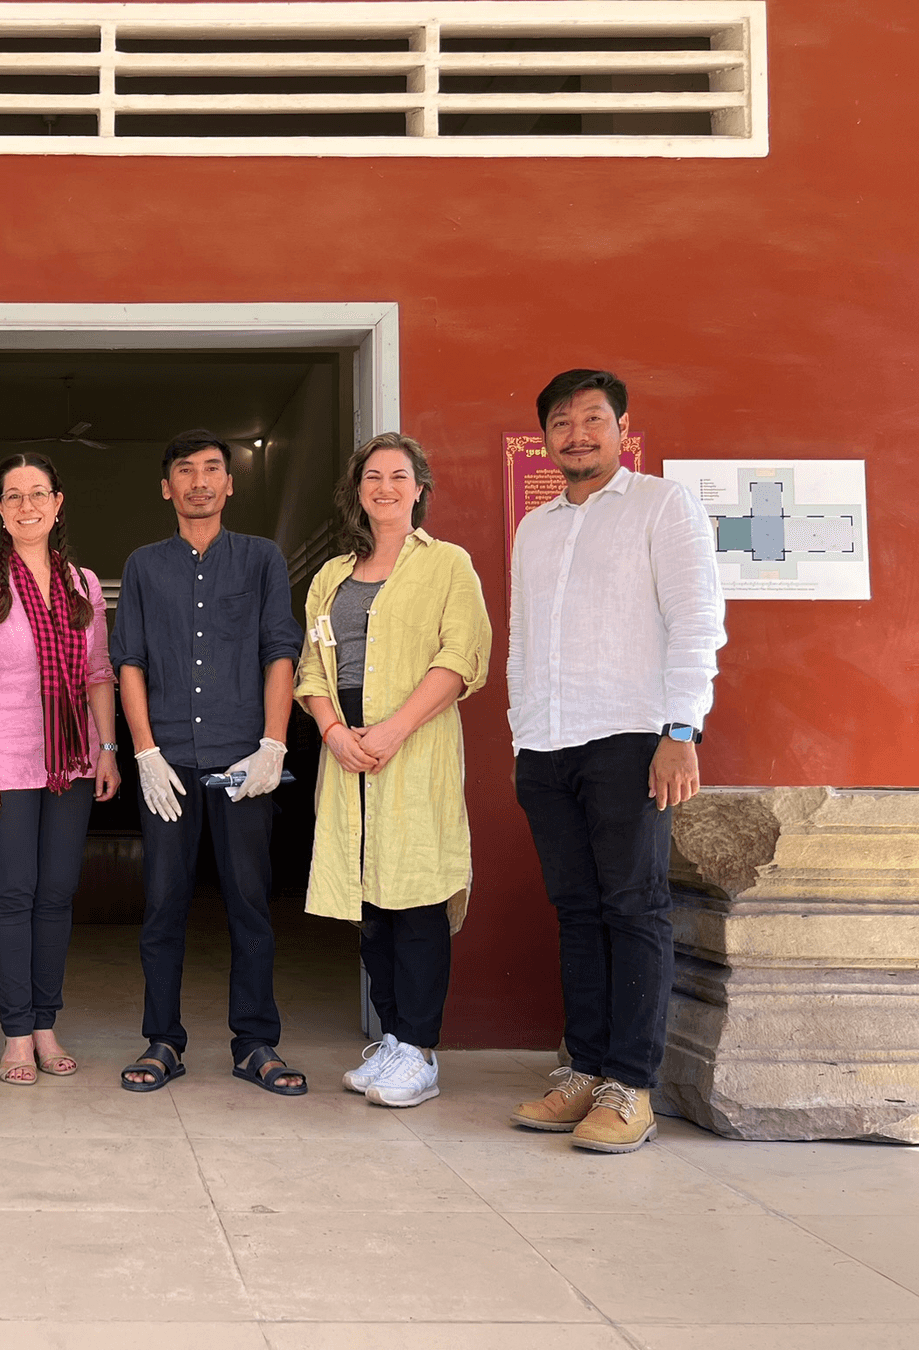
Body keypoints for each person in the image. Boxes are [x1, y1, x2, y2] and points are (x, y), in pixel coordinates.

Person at [507, 369, 725, 1153]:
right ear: (545, 438)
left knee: (634, 907)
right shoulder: (536, 528)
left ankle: (630, 1087)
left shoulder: (665, 505)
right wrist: (520, 733)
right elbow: (525, 639)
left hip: (634, 735)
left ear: (621, 426)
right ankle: (585, 1071)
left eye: (592, 419)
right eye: (561, 423)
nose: (576, 434)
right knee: (576, 910)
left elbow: (698, 618)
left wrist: (681, 730)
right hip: (548, 743)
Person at [295, 434, 491, 1109]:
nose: (384, 487)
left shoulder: (448, 567)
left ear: (418, 489)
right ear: (357, 491)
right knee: (370, 905)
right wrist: (332, 731)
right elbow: (312, 670)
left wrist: (393, 729)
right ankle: (393, 1042)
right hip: (346, 750)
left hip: (414, 748)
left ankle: (421, 1049)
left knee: (417, 899)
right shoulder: (330, 578)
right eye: (372, 476)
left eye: (398, 476)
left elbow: (462, 656)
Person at [110, 429, 306, 1096]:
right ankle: (162, 1039)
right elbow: (128, 660)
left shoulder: (261, 560)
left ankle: (256, 1043)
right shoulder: (143, 565)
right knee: (162, 904)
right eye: (185, 470)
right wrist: (143, 751)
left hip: (241, 762)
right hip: (168, 758)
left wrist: (273, 745)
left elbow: (280, 651)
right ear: (166, 487)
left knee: (250, 903)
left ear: (230, 484)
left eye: (212, 469)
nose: (199, 480)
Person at [0, 454, 120, 1086]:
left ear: (58, 502)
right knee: (14, 894)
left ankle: (46, 1022)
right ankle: (17, 1033)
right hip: (5, 761)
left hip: (71, 762)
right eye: (13, 495)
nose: (27, 505)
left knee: (56, 896)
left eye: (38, 493)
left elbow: (97, 673)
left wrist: (106, 749)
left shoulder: (85, 585)